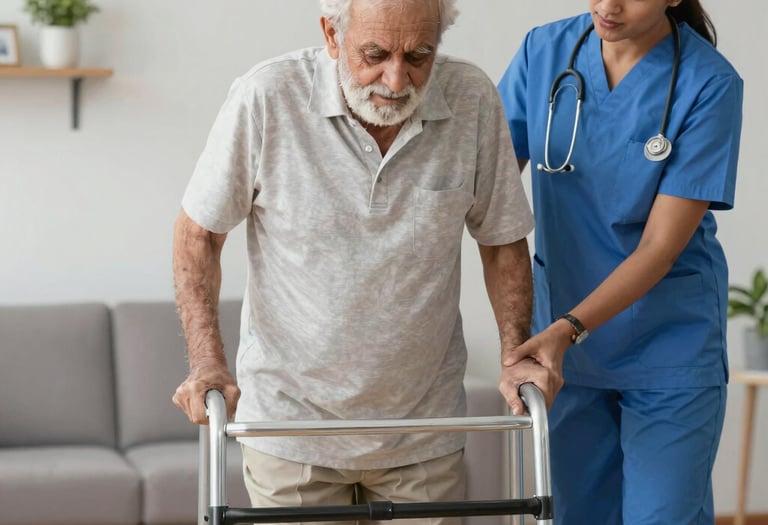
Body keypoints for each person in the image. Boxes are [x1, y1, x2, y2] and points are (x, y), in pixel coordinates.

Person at [172, 0, 539, 521]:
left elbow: (502, 240)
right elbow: (198, 236)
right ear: (330, 34)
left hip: (423, 430)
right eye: (375, 53)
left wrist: (513, 352)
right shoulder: (266, 96)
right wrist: (208, 361)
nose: (396, 78)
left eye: (419, 55)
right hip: (292, 428)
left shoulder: (471, 97)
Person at [497, 1, 743, 524]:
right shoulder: (546, 51)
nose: (607, 6)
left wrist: (566, 329)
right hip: (562, 349)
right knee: (575, 514)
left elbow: (658, 247)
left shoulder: (709, 83)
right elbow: (489, 188)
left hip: (667, 345)